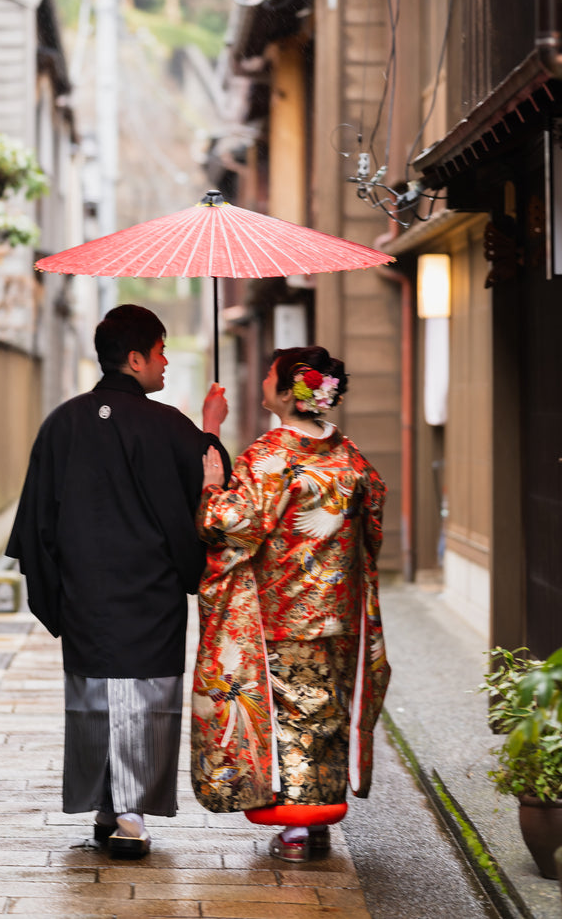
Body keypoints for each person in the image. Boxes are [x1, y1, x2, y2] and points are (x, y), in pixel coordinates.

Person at [7, 304, 229, 858]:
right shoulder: (170, 426)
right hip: (150, 595)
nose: (166, 361)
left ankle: (110, 807)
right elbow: (215, 484)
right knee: (145, 699)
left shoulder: (63, 421)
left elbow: (38, 518)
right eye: (159, 351)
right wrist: (213, 426)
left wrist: (56, 586)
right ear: (134, 359)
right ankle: (129, 815)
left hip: (86, 593)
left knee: (95, 697)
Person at [193, 345, 390, 862]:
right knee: (324, 717)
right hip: (341, 614)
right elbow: (373, 523)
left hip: (283, 612)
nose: (262, 382)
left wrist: (213, 491)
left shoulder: (272, 455)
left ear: (288, 392)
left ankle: (299, 832)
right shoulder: (350, 455)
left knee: (289, 720)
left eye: (268, 374)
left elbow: (233, 525)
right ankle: (318, 824)